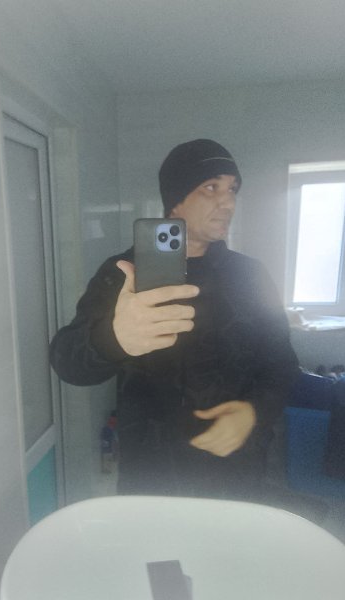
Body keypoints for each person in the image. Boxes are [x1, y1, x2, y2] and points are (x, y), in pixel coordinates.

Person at [50, 139, 299, 502]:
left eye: (232, 189)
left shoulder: (250, 275)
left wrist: (254, 412)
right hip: (152, 474)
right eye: (210, 187)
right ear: (175, 199)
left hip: (237, 468)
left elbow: (282, 364)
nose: (228, 202)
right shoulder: (124, 272)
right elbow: (66, 361)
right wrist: (113, 339)